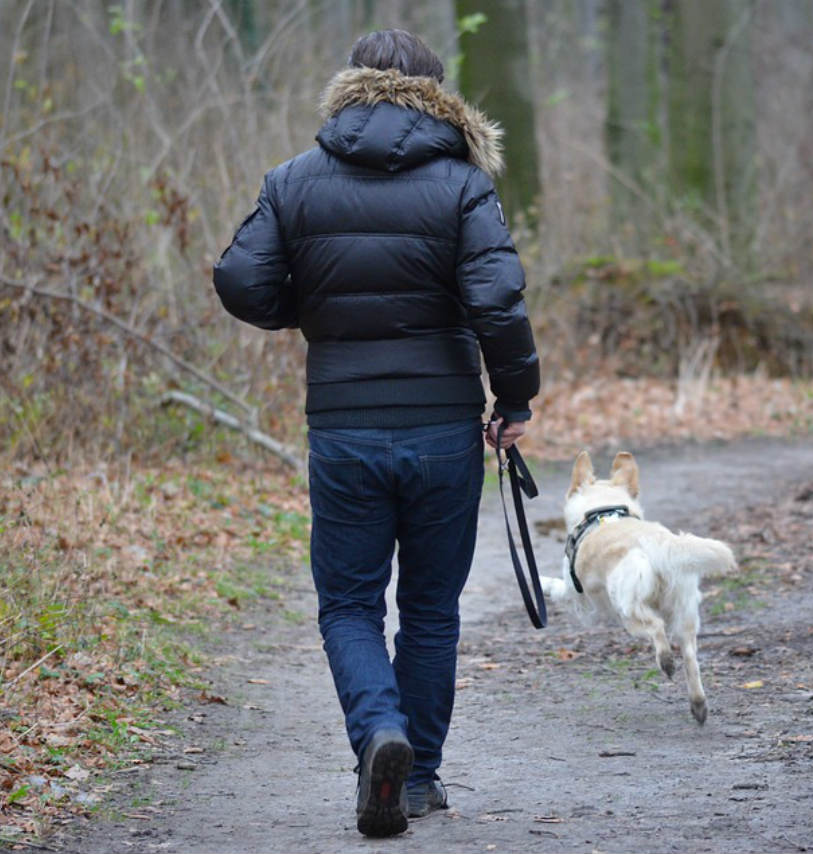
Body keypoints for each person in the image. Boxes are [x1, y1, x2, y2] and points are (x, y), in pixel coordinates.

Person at [212, 29, 540, 838]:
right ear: (437, 95)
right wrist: (517, 396)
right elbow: (497, 302)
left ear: (350, 86)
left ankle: (376, 735)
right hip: (441, 429)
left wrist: (314, 310)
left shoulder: (295, 180)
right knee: (430, 610)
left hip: (345, 427)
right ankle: (418, 776)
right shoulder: (464, 185)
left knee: (350, 604)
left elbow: (240, 280)